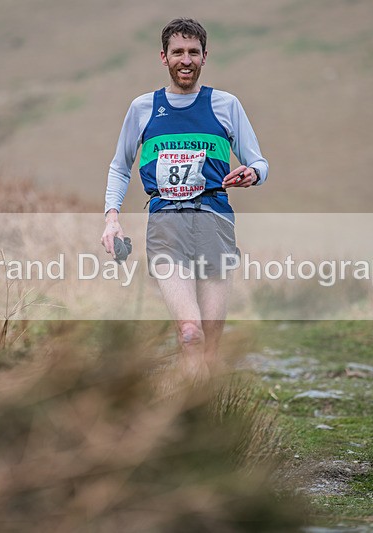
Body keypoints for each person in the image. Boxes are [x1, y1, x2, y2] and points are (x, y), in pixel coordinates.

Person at [101, 18, 268, 382]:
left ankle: (202, 416)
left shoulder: (225, 105)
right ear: (163, 57)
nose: (186, 60)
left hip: (215, 222)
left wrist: (252, 173)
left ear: (205, 57)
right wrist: (112, 218)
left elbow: (258, 161)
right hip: (166, 223)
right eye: (178, 52)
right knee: (190, 333)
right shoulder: (143, 108)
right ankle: (188, 421)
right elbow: (119, 167)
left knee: (209, 343)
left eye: (193, 52)